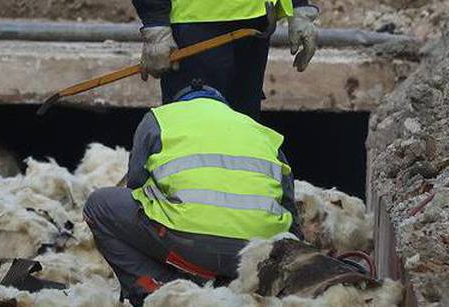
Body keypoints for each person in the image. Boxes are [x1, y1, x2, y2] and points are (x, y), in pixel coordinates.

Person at [83, 82, 301, 306]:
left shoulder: (161, 118)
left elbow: (136, 184)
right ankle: (221, 286)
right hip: (258, 253)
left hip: (189, 243)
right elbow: (288, 206)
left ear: (179, 104)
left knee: (98, 206)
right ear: (223, 107)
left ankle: (159, 290)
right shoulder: (260, 131)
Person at [131, 0, 319, 120]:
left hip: (256, 21)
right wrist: (155, 24)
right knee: (193, 129)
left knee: (243, 128)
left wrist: (299, 7)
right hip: (194, 24)